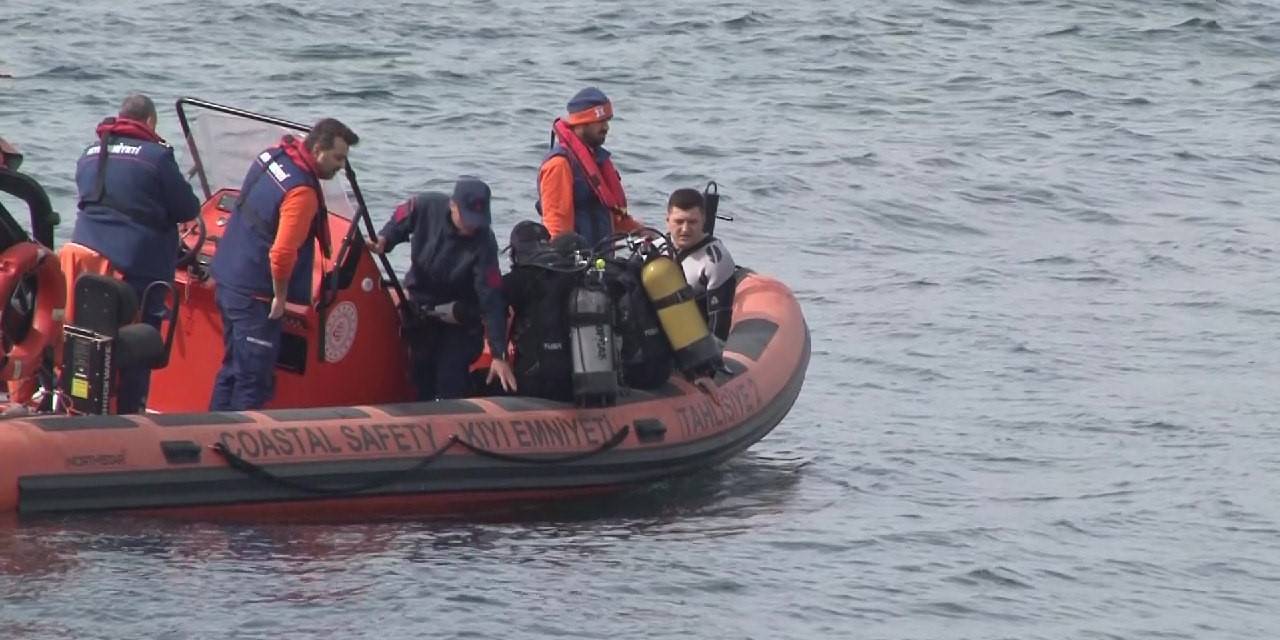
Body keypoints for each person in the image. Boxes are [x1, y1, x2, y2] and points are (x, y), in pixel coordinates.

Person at [208, 118, 357, 411]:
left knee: (233, 368)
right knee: (253, 381)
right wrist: (280, 296)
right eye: (337, 158)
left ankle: (213, 431)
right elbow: (282, 253)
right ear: (318, 149)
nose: (340, 166)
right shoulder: (302, 193)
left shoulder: (272, 156)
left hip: (227, 275)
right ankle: (240, 436)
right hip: (255, 295)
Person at [70, 94, 201, 413]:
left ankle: (77, 404)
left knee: (86, 340)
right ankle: (130, 415)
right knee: (139, 342)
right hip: (137, 269)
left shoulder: (89, 154)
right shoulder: (156, 157)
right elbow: (188, 208)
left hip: (86, 264)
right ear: (151, 122)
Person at [367, 178, 516, 400]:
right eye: (467, 219)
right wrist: (384, 240)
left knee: (450, 378)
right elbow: (397, 222)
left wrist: (499, 354)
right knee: (420, 375)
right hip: (421, 308)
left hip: (460, 319)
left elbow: (491, 298)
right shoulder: (425, 206)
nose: (472, 227)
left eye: (478, 221)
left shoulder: (484, 241)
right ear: (452, 205)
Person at [536, 86, 643, 247]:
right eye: (600, 122)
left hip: (602, 256)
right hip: (576, 258)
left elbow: (613, 217)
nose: (606, 128)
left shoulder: (598, 161)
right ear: (581, 123)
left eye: (607, 121)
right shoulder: (559, 165)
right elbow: (556, 227)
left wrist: (643, 232)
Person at [501, 221, 579, 402]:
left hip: (533, 378)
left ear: (515, 252)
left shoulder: (515, 280)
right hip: (572, 377)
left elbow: (489, 310)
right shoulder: (573, 274)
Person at [665, 188, 735, 342]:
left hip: (692, 344)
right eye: (679, 221)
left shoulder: (716, 261)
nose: (685, 229)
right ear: (668, 219)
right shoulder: (654, 249)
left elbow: (719, 326)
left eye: (692, 222)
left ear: (704, 220)